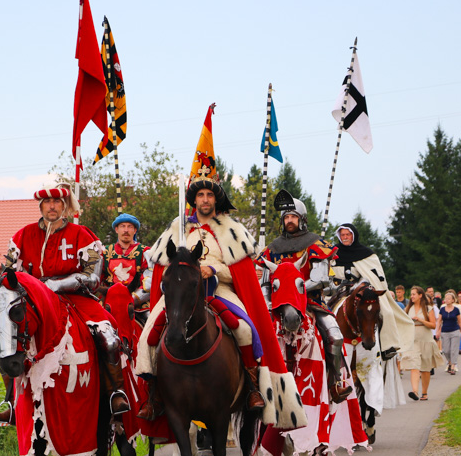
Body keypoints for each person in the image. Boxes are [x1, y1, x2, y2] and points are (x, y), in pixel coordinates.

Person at [135, 161, 302, 429]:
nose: (204, 199)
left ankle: (251, 388)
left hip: (219, 290)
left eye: (209, 195)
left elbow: (239, 271)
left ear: (216, 199)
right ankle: (153, 396)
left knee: (246, 330)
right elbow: (162, 267)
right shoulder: (178, 228)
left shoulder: (231, 230)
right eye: (200, 195)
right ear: (194, 199)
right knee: (147, 337)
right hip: (182, 296)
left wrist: (212, 268)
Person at [2, 181, 129, 414]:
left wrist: (56, 284)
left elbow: (93, 276)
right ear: (40, 206)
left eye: (57, 202)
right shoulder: (22, 236)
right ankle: (11, 402)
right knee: (4, 340)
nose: (52, 206)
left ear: (64, 206)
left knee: (107, 336)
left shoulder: (82, 234)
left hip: (75, 298)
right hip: (33, 302)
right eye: (47, 202)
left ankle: (115, 393)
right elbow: (7, 275)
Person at [259, 189, 349, 402]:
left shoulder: (315, 244)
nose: (290, 221)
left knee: (335, 337)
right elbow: (264, 283)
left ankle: (335, 382)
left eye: (294, 217)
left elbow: (320, 279)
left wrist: (294, 289)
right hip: (280, 305)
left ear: (302, 219)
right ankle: (258, 386)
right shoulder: (272, 250)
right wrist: (268, 303)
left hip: (311, 303)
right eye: (286, 217)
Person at [332, 223, 414, 362]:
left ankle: (387, 347)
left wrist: (361, 286)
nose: (345, 237)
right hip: (335, 291)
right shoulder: (332, 252)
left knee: (386, 312)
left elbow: (374, 277)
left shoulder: (366, 254)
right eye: (343, 235)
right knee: (320, 314)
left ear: (353, 236)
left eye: (348, 234)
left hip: (359, 291)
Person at [101, 212, 151, 323]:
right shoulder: (105, 252)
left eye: (130, 227)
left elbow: (148, 284)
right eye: (122, 226)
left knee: (153, 325)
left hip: (138, 304)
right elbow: (98, 279)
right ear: (116, 229)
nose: (126, 230)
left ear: (135, 230)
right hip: (109, 302)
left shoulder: (145, 252)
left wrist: (130, 299)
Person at [402, 286, 444, 401]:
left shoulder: (428, 308)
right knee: (414, 365)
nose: (412, 296)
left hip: (426, 340)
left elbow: (433, 325)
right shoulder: (408, 308)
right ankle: (414, 391)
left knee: (425, 368)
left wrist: (420, 320)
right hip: (413, 340)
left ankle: (424, 393)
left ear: (420, 295)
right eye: (411, 294)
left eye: (414, 294)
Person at [436, 292, 461, 374]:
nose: (446, 300)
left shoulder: (456, 310)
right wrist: (437, 330)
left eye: (448, 298)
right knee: (446, 350)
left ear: (452, 300)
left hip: (455, 331)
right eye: (446, 298)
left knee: (453, 350)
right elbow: (439, 321)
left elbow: (459, 322)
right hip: (445, 331)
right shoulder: (442, 309)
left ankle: (453, 366)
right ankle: (450, 362)